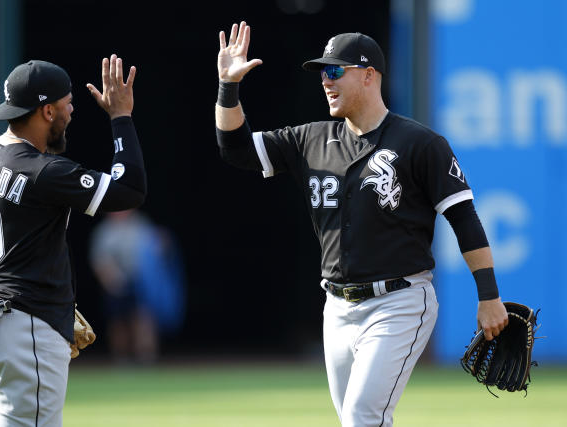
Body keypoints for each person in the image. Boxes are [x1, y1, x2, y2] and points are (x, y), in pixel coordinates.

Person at [214, 22, 508, 426]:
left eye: (335, 71)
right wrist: (228, 87)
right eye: (322, 73)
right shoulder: (310, 139)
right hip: (336, 306)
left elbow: (465, 220)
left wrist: (489, 296)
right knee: (360, 421)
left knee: (361, 417)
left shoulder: (420, 143)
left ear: (369, 75)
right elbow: (236, 149)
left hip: (399, 301)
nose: (325, 81)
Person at [0, 55, 146, 426]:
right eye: (68, 104)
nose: (72, 111)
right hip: (24, 328)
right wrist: (121, 118)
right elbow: (130, 190)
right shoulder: (42, 170)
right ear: (47, 111)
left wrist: (5, 291)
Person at [89, 210, 186, 364]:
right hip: (115, 282)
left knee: (144, 319)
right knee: (118, 323)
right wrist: (111, 281)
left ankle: (146, 357)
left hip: (140, 282)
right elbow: (100, 260)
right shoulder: (105, 230)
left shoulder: (140, 224)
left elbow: (154, 248)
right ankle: (122, 359)